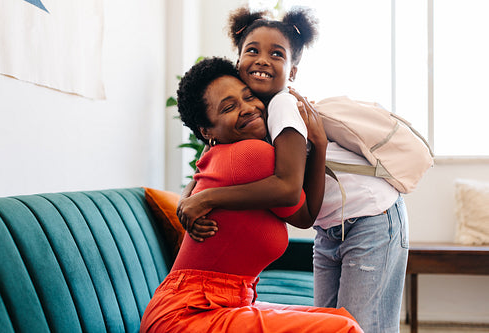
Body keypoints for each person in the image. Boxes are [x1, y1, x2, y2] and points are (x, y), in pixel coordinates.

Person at [178, 6, 409, 333]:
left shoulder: (283, 105)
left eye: (276, 54)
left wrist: (206, 199)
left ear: (293, 71)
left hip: (369, 216)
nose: (262, 60)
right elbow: (210, 152)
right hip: (331, 228)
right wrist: (190, 194)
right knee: (337, 323)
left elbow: (287, 188)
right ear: (238, 60)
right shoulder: (251, 113)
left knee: (364, 326)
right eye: (252, 51)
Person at [140, 57, 362, 332]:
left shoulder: (219, 154)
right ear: (207, 131)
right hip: (189, 316)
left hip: (216, 304)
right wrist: (318, 144)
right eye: (230, 107)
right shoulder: (251, 155)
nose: (248, 108)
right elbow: (303, 212)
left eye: (248, 97)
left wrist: (196, 199)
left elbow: (302, 216)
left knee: (346, 321)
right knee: (343, 329)